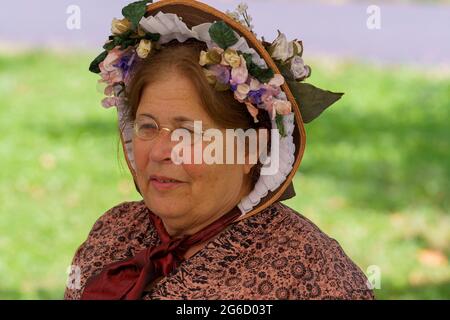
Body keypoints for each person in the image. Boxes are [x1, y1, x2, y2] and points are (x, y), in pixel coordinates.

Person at [64, 0, 374, 300]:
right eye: (147, 126)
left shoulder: (309, 274)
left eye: (189, 133)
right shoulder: (113, 235)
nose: (160, 151)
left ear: (251, 148)